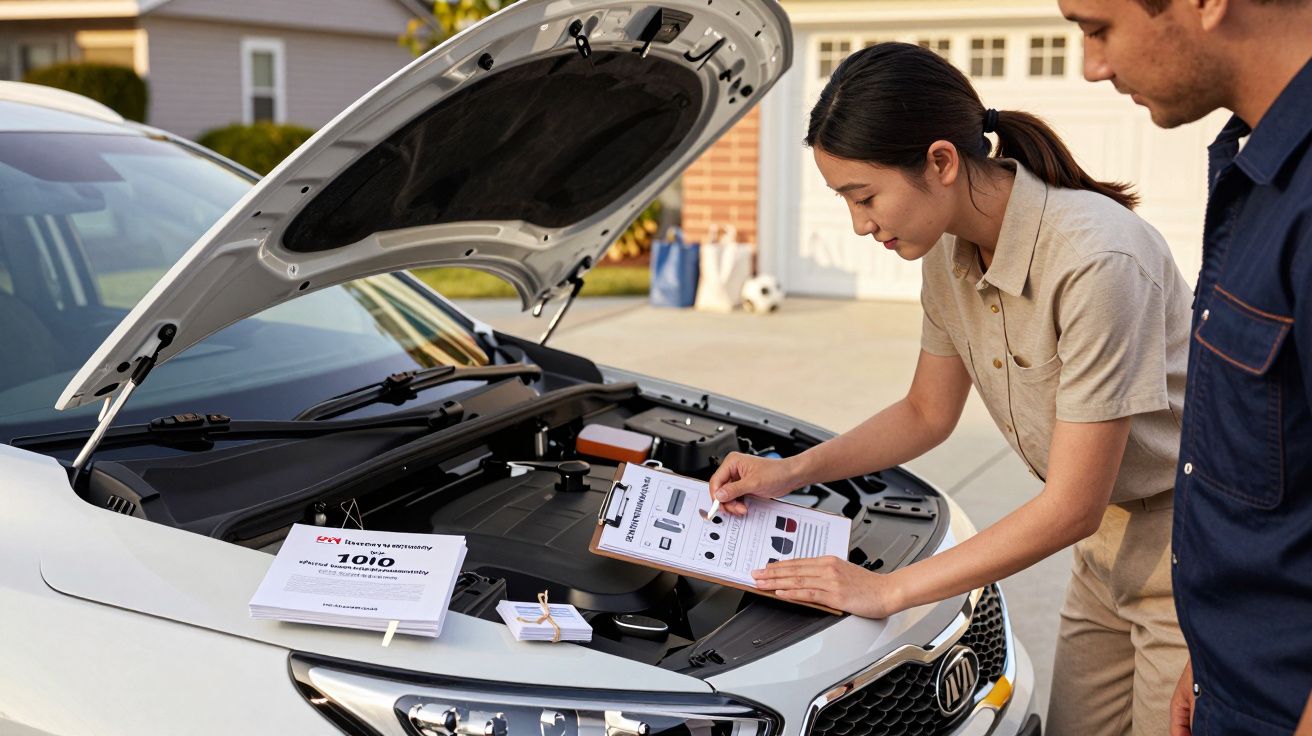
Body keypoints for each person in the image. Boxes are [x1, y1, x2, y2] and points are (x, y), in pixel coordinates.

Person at [707, 42, 1192, 735]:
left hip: (1189, 558)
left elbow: (1071, 505)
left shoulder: (1096, 260)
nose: (859, 224)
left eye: (864, 196)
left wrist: (887, 590)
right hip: (1104, 554)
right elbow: (926, 412)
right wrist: (791, 472)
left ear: (940, 161)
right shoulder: (945, 253)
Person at [1054, 0, 1312, 733]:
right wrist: (1211, 643)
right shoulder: (1253, 167)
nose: (1091, 66)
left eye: (1097, 27)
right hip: (1233, 672)